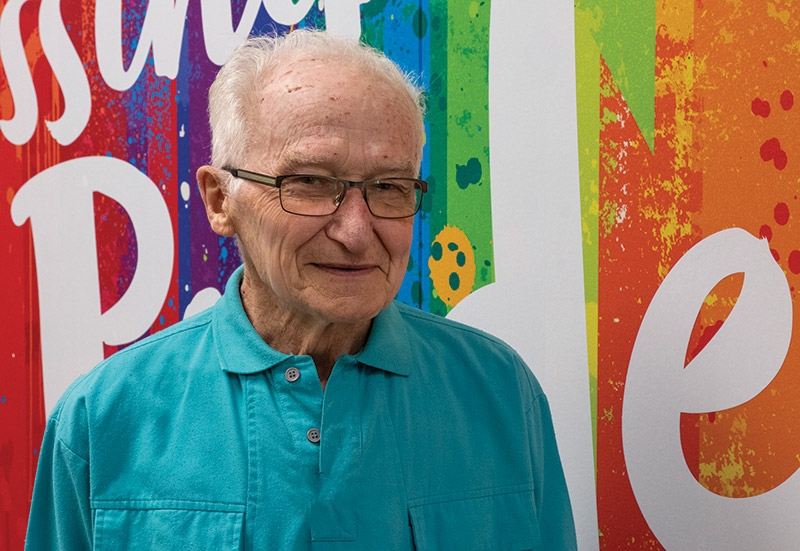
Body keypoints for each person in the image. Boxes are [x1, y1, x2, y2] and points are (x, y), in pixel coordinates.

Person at [25, 30, 577, 550]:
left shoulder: (501, 395)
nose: (357, 232)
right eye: (309, 182)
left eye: (389, 187)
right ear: (220, 201)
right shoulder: (102, 421)